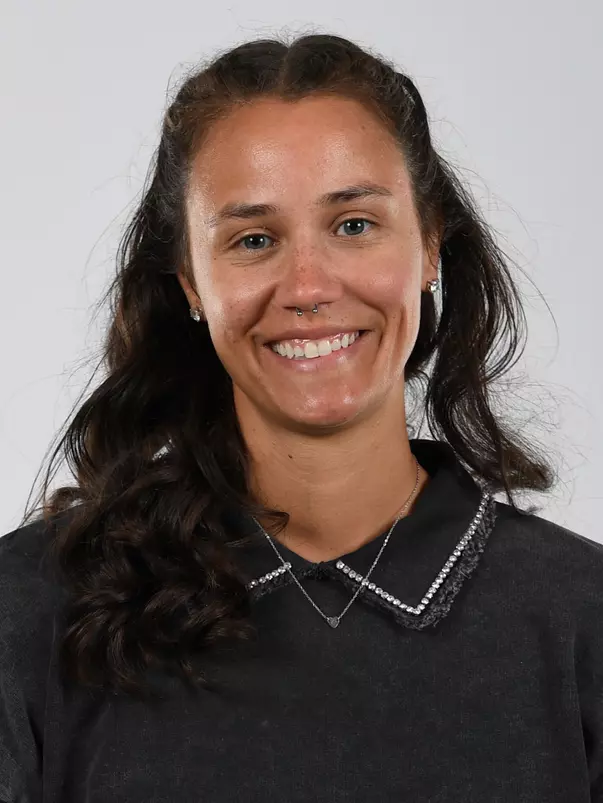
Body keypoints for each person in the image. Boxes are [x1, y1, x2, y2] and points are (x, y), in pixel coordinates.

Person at [1, 32, 601, 803]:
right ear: (190, 280)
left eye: (353, 224)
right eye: (253, 240)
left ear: (428, 246)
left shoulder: (579, 619)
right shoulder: (30, 611)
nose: (308, 286)